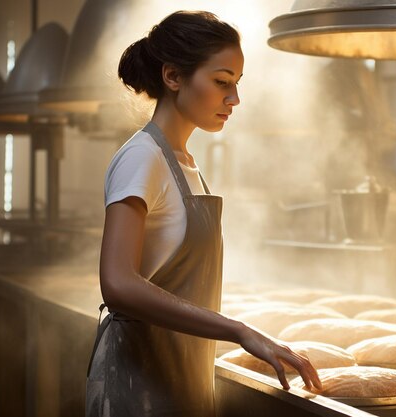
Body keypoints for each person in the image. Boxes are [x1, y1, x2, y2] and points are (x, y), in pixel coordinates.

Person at [85, 10, 322, 417]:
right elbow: (118, 283)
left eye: (236, 84)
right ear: (173, 77)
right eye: (221, 82)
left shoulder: (185, 162)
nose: (234, 99)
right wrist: (239, 330)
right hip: (137, 385)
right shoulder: (143, 157)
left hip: (181, 376)